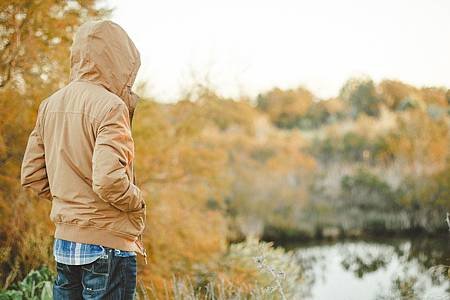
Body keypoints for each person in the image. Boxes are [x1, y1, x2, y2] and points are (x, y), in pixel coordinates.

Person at [20, 20, 147, 299]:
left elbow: (31, 174)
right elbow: (108, 181)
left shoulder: (50, 104)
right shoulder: (111, 106)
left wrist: (71, 202)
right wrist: (137, 200)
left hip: (66, 243)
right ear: (120, 59)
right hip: (107, 246)